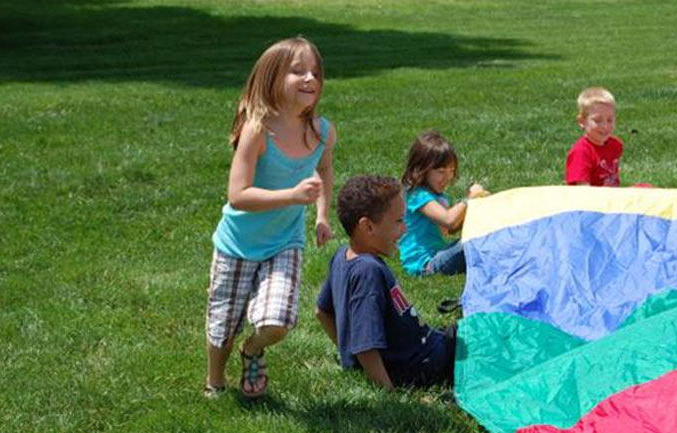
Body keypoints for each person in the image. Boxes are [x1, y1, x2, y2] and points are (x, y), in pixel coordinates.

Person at [204, 37, 336, 399]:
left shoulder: (322, 132)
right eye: (298, 71)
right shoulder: (257, 130)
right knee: (222, 324)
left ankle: (254, 348)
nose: (310, 78)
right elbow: (238, 195)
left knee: (278, 323)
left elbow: (323, 170)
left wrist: (322, 215)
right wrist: (292, 196)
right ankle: (215, 380)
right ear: (273, 77)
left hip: (284, 242)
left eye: (315, 72)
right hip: (237, 244)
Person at [315, 175, 457, 390]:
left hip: (424, 349)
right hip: (423, 364)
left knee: (473, 331)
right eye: (399, 221)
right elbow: (366, 345)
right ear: (367, 227)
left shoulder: (343, 255)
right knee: (489, 338)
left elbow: (321, 312)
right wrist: (387, 388)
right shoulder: (367, 271)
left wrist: (346, 353)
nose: (405, 229)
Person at [397, 131, 489, 276]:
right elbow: (449, 221)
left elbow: (449, 230)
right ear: (421, 169)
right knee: (475, 242)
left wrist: (477, 209)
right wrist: (469, 200)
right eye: (441, 171)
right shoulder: (417, 196)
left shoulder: (439, 196)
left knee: (482, 236)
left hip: (440, 253)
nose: (448, 177)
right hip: (425, 264)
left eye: (451, 171)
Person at [565, 87, 623, 186]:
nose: (605, 126)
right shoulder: (582, 152)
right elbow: (582, 191)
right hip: (593, 199)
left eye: (610, 120)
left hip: (611, 197)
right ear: (582, 121)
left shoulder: (615, 145)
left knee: (645, 188)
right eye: (597, 120)